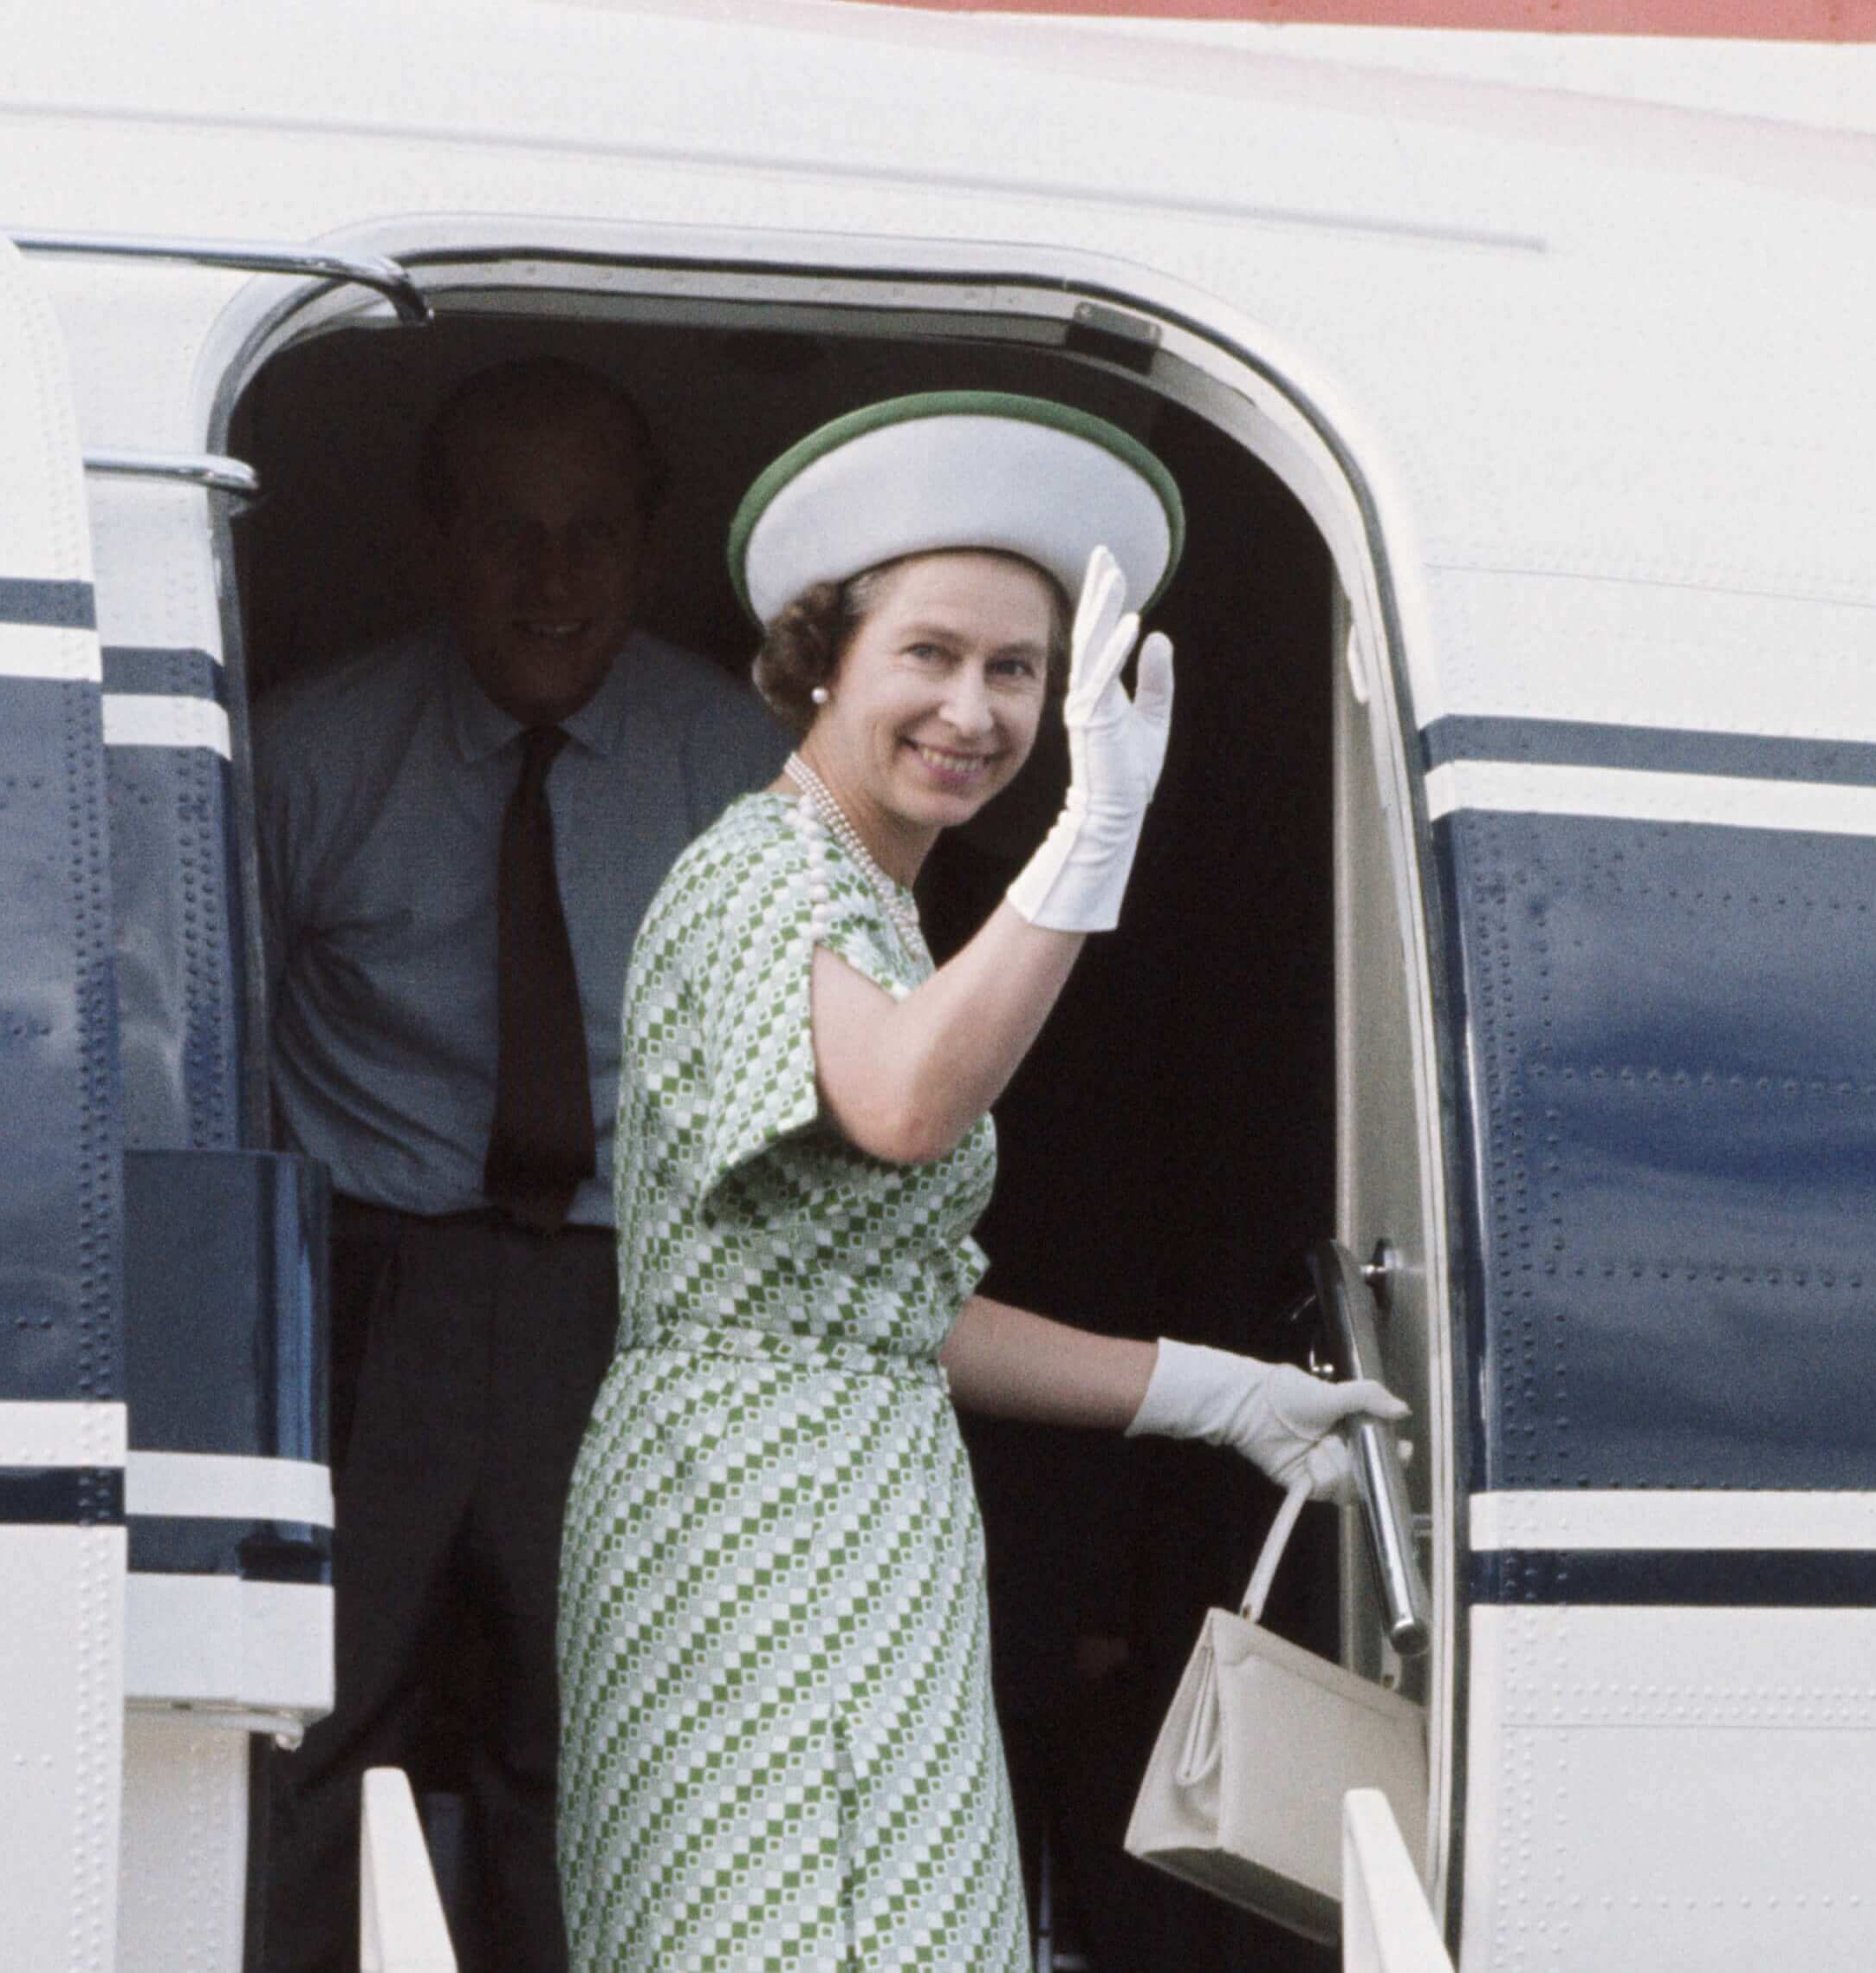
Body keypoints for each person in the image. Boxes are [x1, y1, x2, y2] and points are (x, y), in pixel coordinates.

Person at [555, 393, 1405, 1970]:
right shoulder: (770, 871)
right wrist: (1088, 842)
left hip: (842, 1517)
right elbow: (899, 1102)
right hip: (765, 1542)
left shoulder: (872, 903)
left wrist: (1216, 1395)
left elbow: (894, 1312)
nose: (975, 708)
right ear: (823, 659)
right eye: (928, 655)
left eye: (1017, 670)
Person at [253, 357, 787, 1973]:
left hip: (635, 1305)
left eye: (593, 533)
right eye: (509, 532)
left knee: (605, 1759)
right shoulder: (307, 757)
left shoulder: (747, 770)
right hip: (370, 1291)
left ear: (647, 545)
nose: (553, 580)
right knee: (314, 1734)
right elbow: (204, 1060)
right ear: (435, 540)